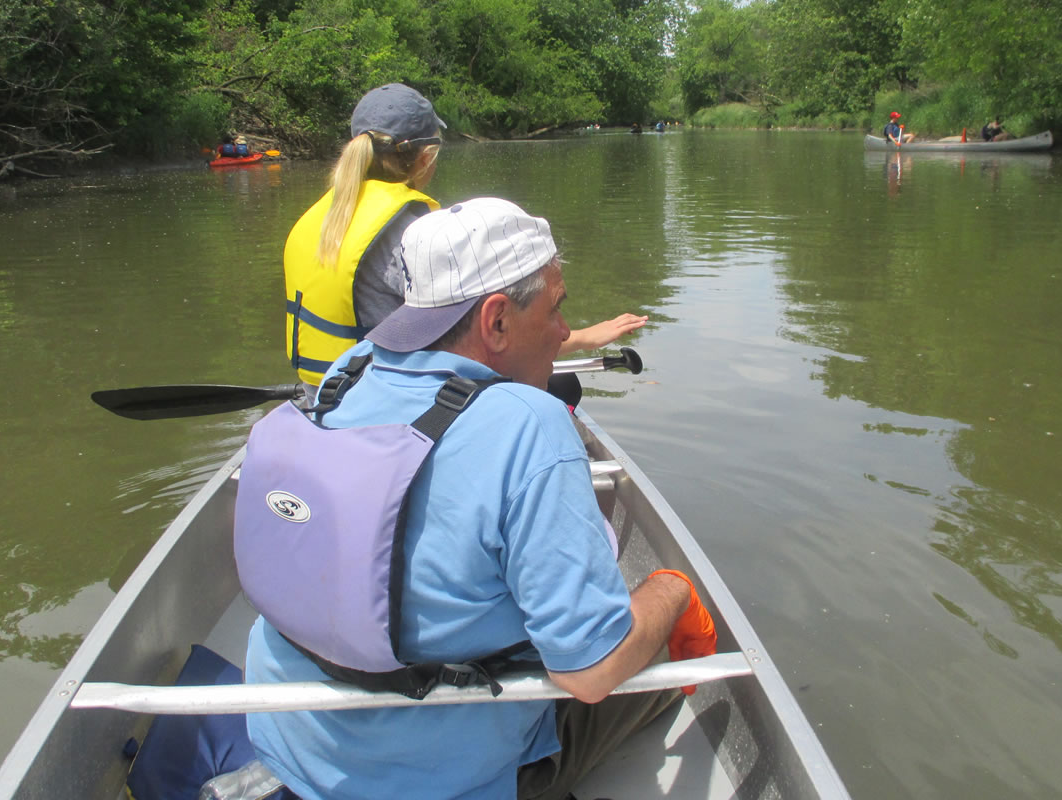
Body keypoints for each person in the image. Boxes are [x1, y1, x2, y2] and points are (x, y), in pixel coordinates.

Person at [242, 197, 717, 799]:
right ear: (495, 321)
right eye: (556, 309)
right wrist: (671, 590)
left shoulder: (349, 369)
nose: (565, 333)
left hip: (289, 738)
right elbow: (591, 673)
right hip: (433, 780)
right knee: (657, 641)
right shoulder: (532, 424)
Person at [284, 84, 647, 385]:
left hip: (323, 393)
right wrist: (585, 338)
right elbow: (493, 338)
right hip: (387, 398)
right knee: (564, 389)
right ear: (426, 158)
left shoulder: (318, 214)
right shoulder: (415, 231)